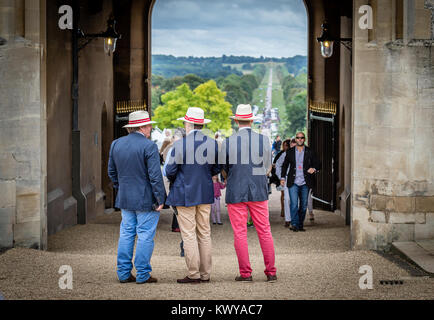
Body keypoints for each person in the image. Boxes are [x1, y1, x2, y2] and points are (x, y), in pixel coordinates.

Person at [108, 110, 166, 284]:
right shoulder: (149, 146)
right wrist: (160, 198)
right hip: (146, 198)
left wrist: (121, 188)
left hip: (125, 197)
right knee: (145, 235)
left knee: (126, 234)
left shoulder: (115, 144)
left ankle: (124, 273)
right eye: (149, 126)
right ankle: (142, 274)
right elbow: (155, 176)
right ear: (142, 127)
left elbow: (112, 172)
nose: (150, 129)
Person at [165, 107, 220, 284]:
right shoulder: (212, 143)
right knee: (204, 233)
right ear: (201, 124)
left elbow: (170, 170)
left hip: (184, 193)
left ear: (188, 124)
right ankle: (205, 274)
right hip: (204, 191)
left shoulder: (180, 144)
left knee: (188, 234)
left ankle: (194, 273)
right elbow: (217, 168)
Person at [222, 104, 277, 283]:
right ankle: (271, 272)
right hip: (258, 189)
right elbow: (269, 167)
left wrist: (234, 177)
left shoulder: (229, 141)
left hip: (236, 189)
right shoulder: (264, 140)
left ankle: (245, 274)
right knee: (264, 231)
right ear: (251, 121)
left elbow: (224, 169)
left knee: (240, 232)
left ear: (237, 120)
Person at [280, 132, 320, 232]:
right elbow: (284, 165)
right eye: (298, 138)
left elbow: (318, 163)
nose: (300, 139)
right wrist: (282, 178)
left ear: (304, 139)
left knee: (303, 206)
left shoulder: (310, 151)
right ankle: (294, 224)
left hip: (305, 183)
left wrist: (314, 168)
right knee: (293, 204)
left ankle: (300, 224)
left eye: (302, 138)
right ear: (296, 139)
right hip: (293, 182)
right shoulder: (290, 152)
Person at [275, 139, 292, 227]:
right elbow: (278, 164)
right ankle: (288, 219)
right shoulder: (285, 154)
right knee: (287, 199)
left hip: (300, 180)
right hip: (287, 179)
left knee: (297, 200)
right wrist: (281, 176)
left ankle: (295, 218)